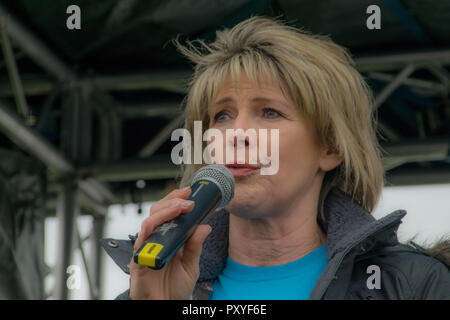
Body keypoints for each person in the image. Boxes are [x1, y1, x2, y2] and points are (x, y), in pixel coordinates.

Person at [103, 16, 450, 300]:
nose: (236, 133)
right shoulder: (148, 291)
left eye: (269, 112)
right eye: (222, 116)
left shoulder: (411, 284)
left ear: (330, 148)